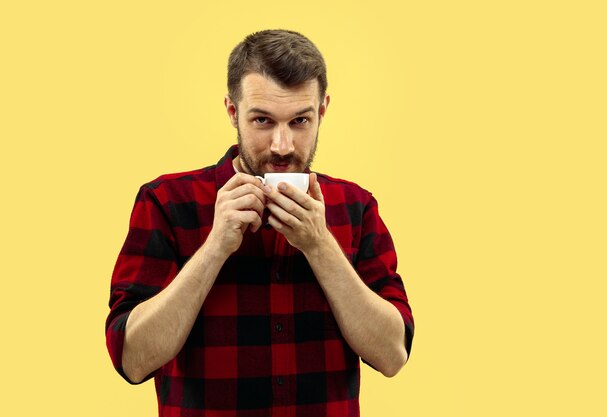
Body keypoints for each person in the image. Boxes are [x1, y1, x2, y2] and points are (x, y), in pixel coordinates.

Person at [106, 29, 414, 417]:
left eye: (300, 121)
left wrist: (320, 247)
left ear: (322, 111)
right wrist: (215, 246)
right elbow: (131, 360)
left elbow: (393, 355)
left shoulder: (356, 206)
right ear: (233, 112)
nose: (282, 146)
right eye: (263, 121)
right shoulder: (167, 202)